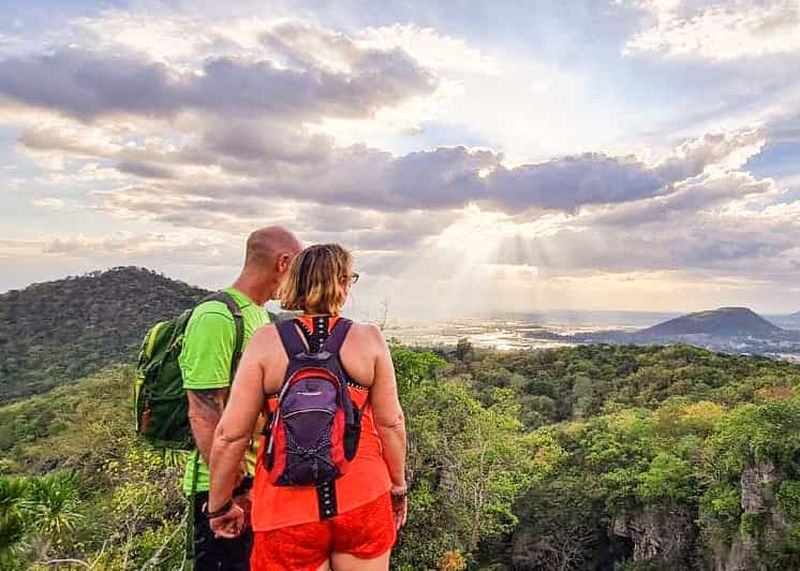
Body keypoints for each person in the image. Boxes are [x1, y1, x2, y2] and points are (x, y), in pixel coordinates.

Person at [207, 244, 408, 571]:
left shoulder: (265, 342)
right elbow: (392, 423)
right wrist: (398, 486)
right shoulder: (369, 339)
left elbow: (231, 435)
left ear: (294, 281)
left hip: (285, 508)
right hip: (363, 496)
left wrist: (218, 506)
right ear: (342, 284)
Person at [182, 226, 301, 571]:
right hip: (220, 491)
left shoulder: (258, 315)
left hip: (253, 485)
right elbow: (204, 413)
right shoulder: (216, 317)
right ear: (283, 262)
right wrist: (229, 494)